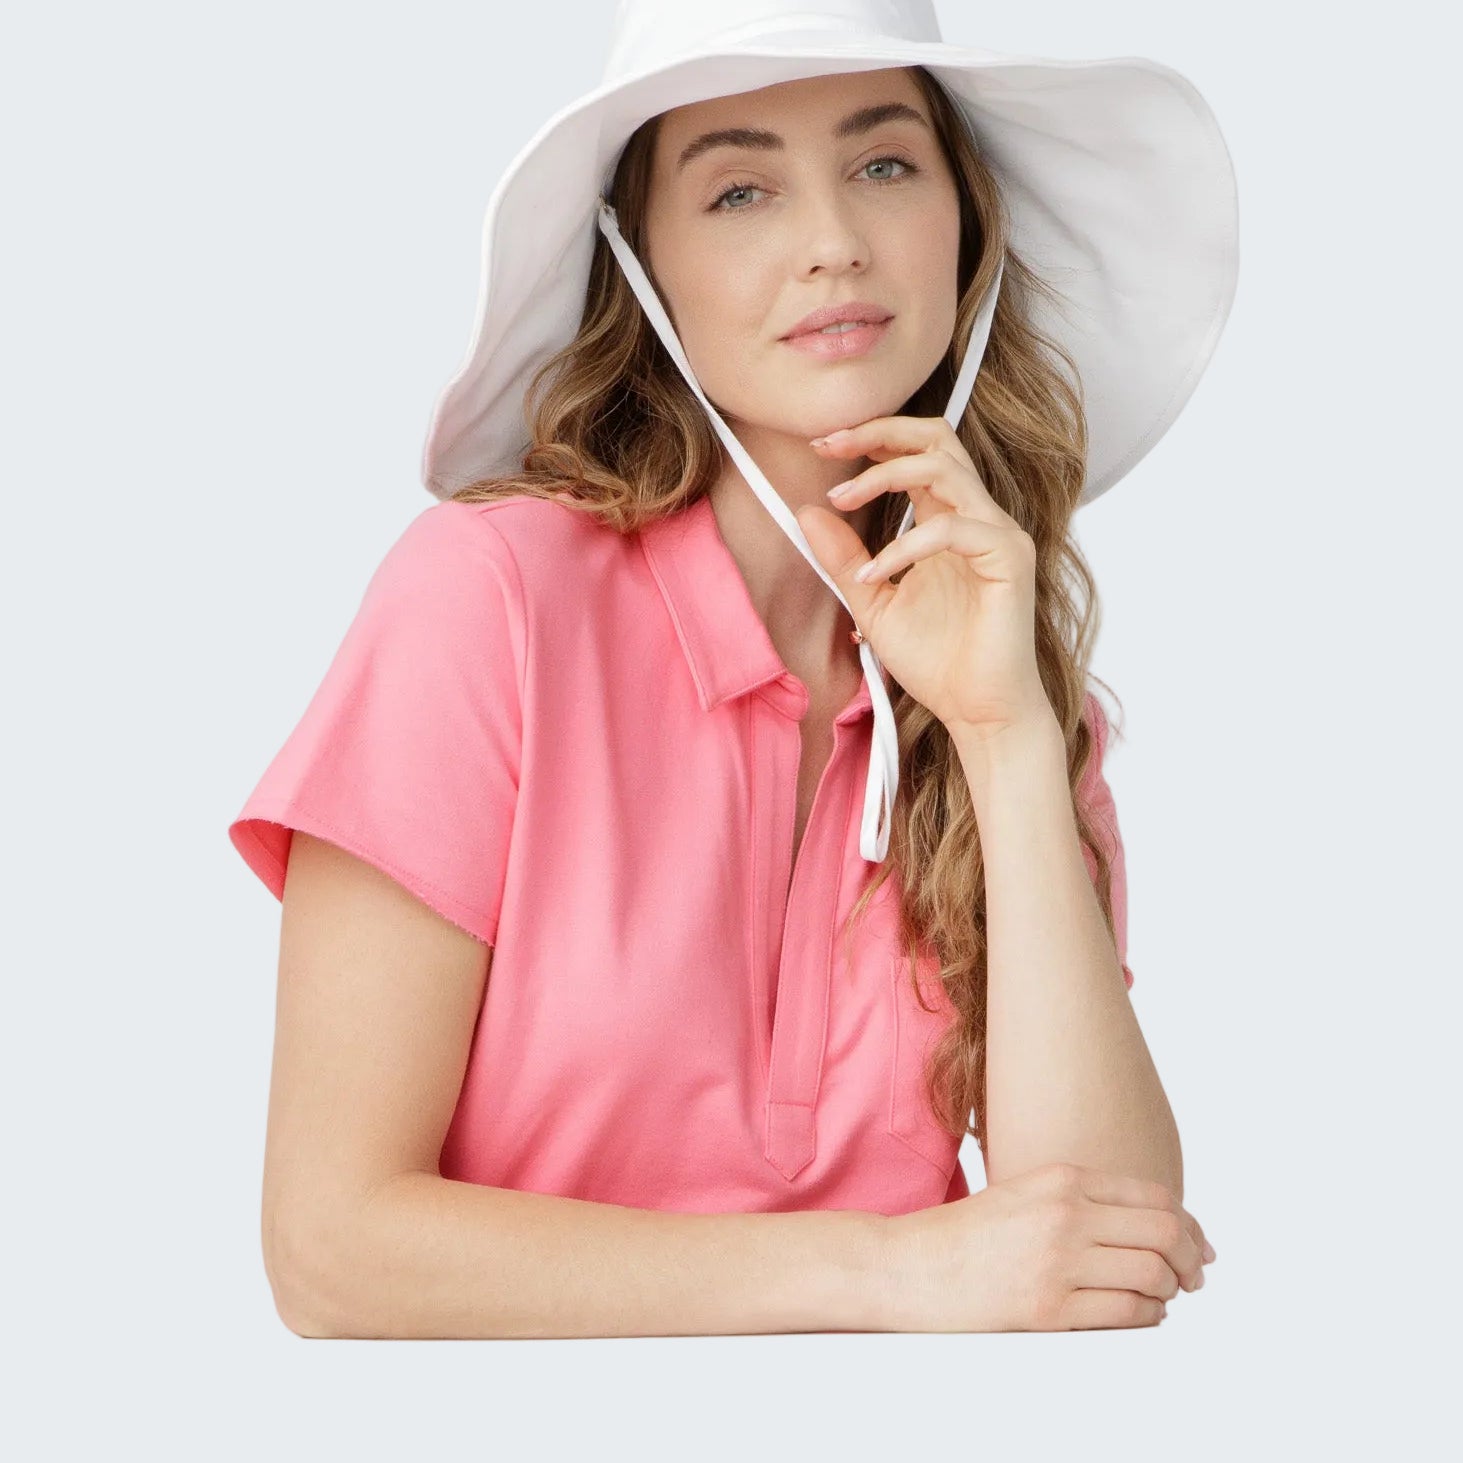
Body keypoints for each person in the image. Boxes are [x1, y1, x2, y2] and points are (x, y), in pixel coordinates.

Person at [228, 1, 1236, 1340]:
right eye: (740, 190)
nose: (833, 244)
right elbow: (331, 1247)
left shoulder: (1011, 689)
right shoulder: (491, 602)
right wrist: (895, 1274)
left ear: (965, 224)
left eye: (886, 165)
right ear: (643, 266)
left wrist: (1002, 736)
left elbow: (1099, 1249)